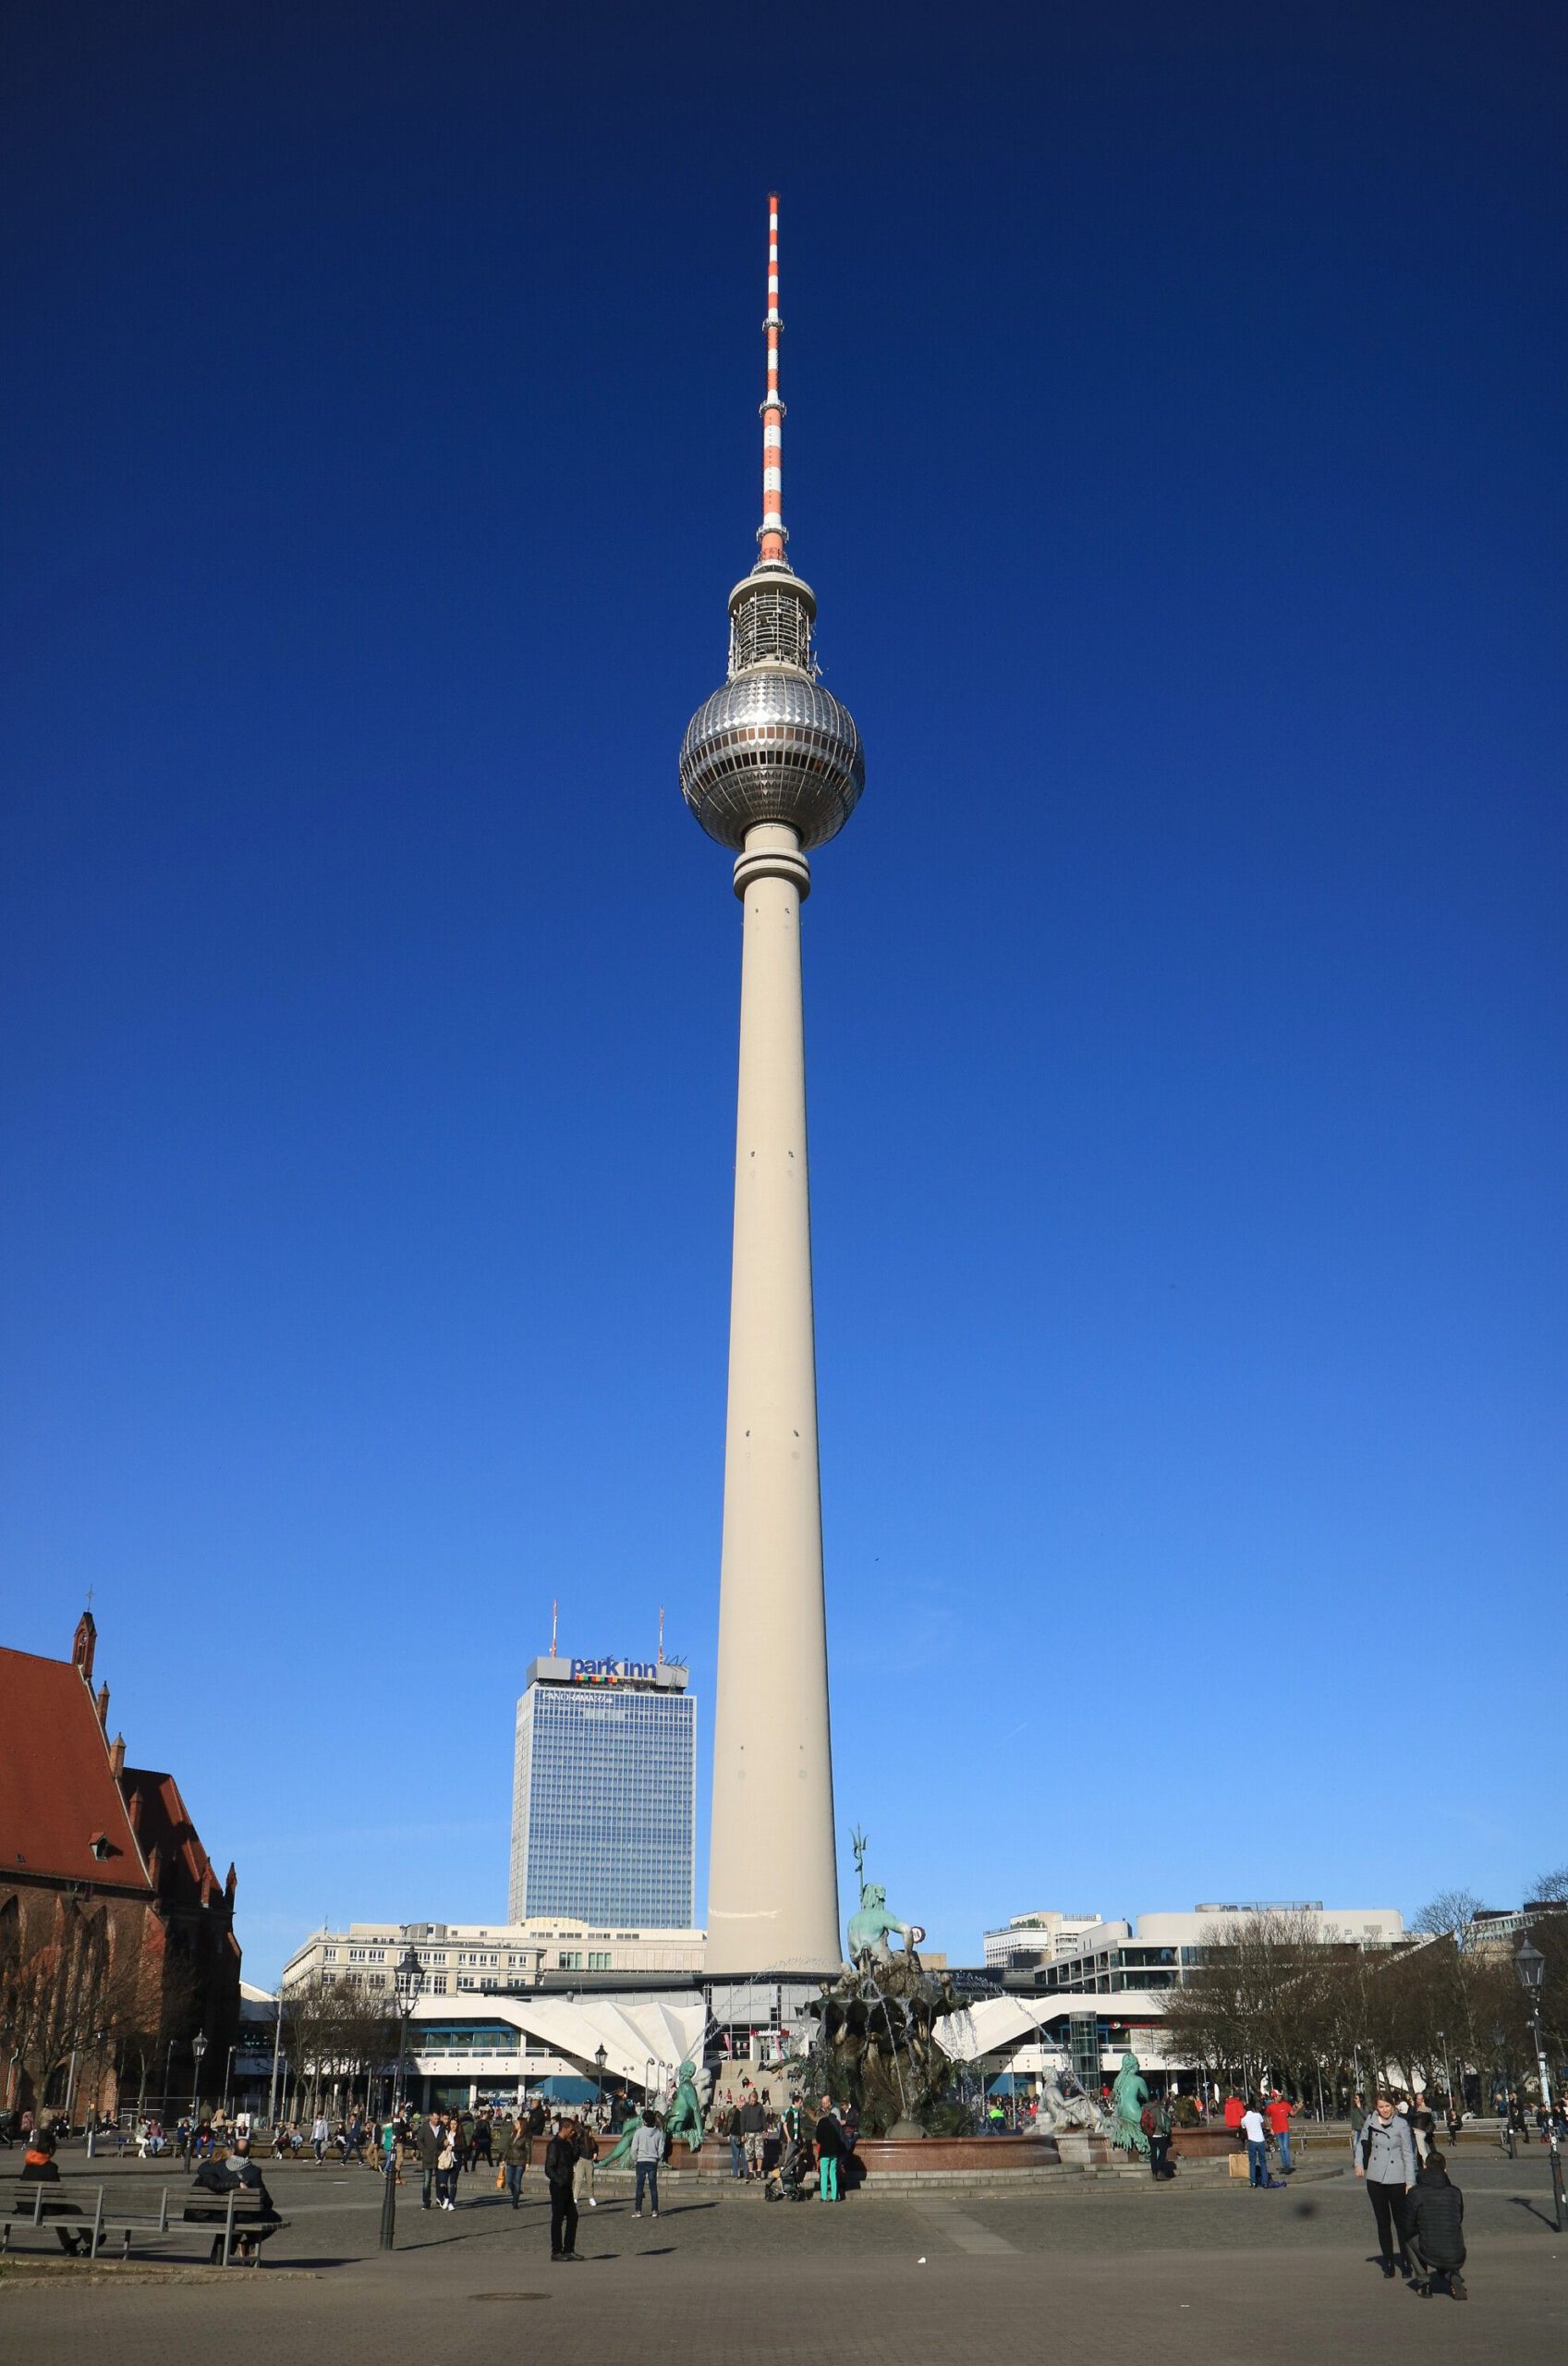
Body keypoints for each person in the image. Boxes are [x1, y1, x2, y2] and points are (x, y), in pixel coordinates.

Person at [1354, 2091, 1418, 2278]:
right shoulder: (1371, 2121)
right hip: (1375, 2178)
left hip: (1397, 2178)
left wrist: (1410, 2181)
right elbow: (1362, 2143)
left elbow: (1408, 2154)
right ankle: (1389, 2262)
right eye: (1381, 2107)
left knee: (1401, 2223)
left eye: (1387, 2106)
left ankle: (1406, 2261)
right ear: (1376, 2107)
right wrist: (1359, 2164)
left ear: (1393, 2105)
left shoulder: (1402, 2124)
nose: (1384, 2110)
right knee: (1383, 2223)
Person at [1403, 2147, 1466, 2300]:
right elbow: (1459, 2219)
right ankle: (1452, 2274)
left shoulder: (1416, 2192)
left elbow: (1407, 2224)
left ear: (1424, 2167)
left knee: (1409, 2237)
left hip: (1430, 2247)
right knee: (1447, 2235)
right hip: (1457, 2253)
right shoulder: (1456, 2192)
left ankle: (1424, 2282)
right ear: (1445, 2169)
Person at [546, 2116, 582, 2258]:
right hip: (558, 2185)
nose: (573, 2132)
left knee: (573, 2217)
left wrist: (576, 2143)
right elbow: (549, 2168)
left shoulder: (567, 2144)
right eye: (571, 2130)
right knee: (558, 2218)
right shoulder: (554, 2145)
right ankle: (556, 2250)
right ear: (564, 2128)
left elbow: (574, 2158)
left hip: (567, 2185)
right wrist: (559, 2180)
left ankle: (569, 2249)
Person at [1241, 2099, 1282, 2189]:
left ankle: (1253, 2183)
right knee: (1263, 2162)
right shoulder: (1258, 2115)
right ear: (1252, 2109)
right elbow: (1263, 2125)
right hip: (1261, 2140)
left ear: (1245, 2110)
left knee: (1252, 2162)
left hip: (1251, 2141)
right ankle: (1265, 2182)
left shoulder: (1243, 2119)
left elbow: (1244, 2130)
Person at [630, 2108, 663, 2219]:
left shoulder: (639, 2132)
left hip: (641, 2161)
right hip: (653, 2161)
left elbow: (634, 2148)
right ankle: (655, 2210)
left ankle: (638, 2210)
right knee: (653, 2187)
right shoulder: (659, 2133)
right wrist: (658, 2158)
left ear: (644, 2121)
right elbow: (661, 2149)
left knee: (639, 2187)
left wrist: (635, 2159)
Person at [815, 2095, 846, 2202]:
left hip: (824, 2152)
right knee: (833, 2174)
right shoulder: (835, 2122)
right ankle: (834, 2197)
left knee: (824, 2175)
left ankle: (824, 2197)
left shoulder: (821, 2123)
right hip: (834, 2152)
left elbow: (818, 2139)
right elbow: (838, 2136)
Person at [417, 2108, 444, 2210]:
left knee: (439, 2180)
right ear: (430, 2117)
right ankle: (426, 2201)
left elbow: (444, 2139)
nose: (436, 2121)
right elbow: (419, 2141)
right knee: (427, 2181)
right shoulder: (425, 2127)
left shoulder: (442, 2127)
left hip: (438, 2157)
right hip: (428, 2157)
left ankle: (439, 2198)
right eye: (434, 2119)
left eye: (437, 2119)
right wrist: (424, 2150)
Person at [501, 2114, 530, 2208]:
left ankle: (515, 2202)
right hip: (510, 2161)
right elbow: (507, 2148)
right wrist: (503, 2159)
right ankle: (516, 2193)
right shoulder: (513, 2134)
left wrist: (527, 2163)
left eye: (517, 2123)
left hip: (520, 2162)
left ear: (522, 2124)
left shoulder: (525, 2137)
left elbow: (528, 2151)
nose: (515, 2124)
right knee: (509, 2181)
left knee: (517, 2182)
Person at [1145, 2092, 1173, 2180]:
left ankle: (1154, 2173)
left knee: (1153, 2154)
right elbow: (1160, 2123)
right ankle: (1160, 2171)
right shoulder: (1156, 2108)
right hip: (1158, 2134)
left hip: (1150, 2135)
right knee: (1163, 2152)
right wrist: (1165, 2130)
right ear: (1155, 2100)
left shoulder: (1144, 2108)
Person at [1266, 2090, 1295, 2173]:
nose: (1280, 2097)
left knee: (1285, 2147)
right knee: (1281, 2148)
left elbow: (1292, 2114)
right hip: (1277, 2130)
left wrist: (1298, 2109)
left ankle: (1287, 2166)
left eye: (1281, 2095)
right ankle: (1285, 2165)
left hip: (1285, 2129)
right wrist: (1271, 2128)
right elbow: (1267, 2117)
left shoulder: (1285, 2104)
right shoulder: (1270, 2107)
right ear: (1275, 2097)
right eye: (1279, 2096)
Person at [573, 2116, 598, 2212]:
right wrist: (575, 2160)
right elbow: (576, 2151)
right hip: (581, 2160)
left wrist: (595, 2154)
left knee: (590, 2181)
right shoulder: (579, 2140)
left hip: (589, 2161)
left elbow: (596, 2148)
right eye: (591, 2131)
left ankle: (591, 2197)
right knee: (578, 2180)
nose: (592, 2132)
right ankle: (575, 2199)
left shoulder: (592, 2140)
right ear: (587, 2132)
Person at [434, 2115, 458, 2210]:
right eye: (451, 2123)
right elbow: (438, 2144)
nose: (453, 2125)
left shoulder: (459, 2135)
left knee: (452, 2183)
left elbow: (464, 2147)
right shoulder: (445, 2132)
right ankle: (447, 2197)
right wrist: (444, 2145)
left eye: (455, 2124)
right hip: (445, 2160)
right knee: (442, 2183)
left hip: (455, 2161)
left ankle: (451, 2203)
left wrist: (453, 2148)